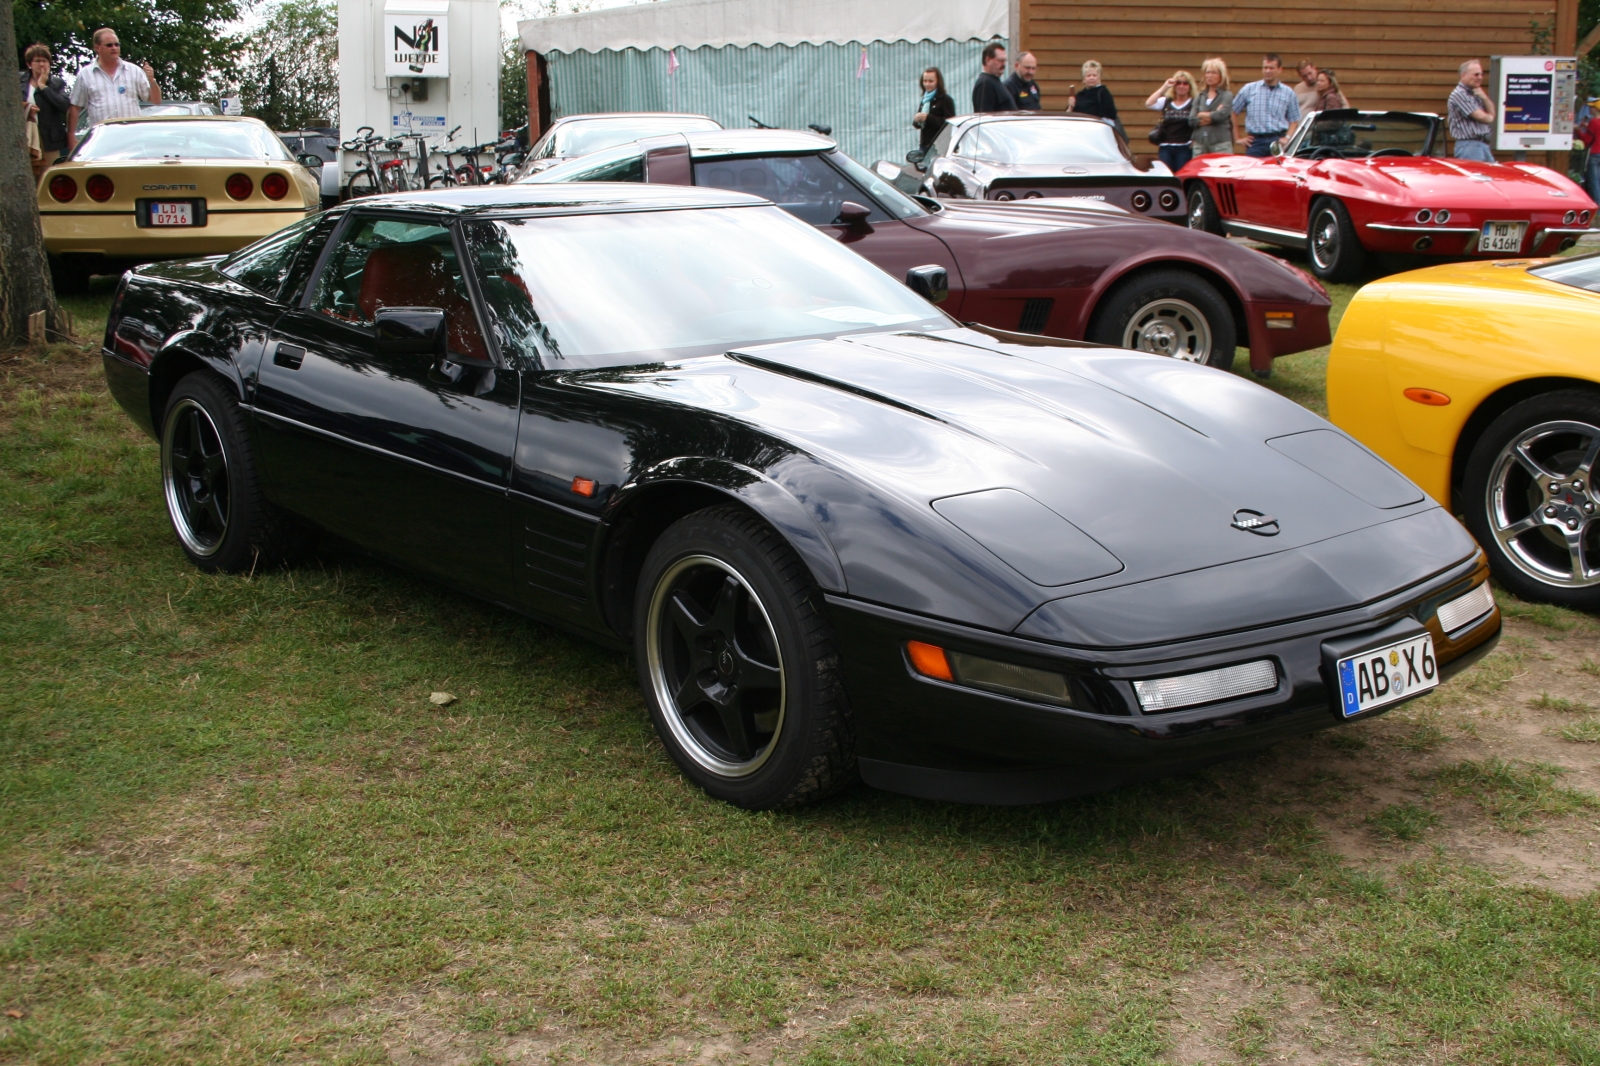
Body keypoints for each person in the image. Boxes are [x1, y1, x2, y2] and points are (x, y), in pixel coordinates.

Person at [66, 27, 161, 134]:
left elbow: (156, 101)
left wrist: (152, 80)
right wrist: (71, 136)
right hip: (102, 136)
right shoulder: (85, 75)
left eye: (117, 44)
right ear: (97, 48)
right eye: (109, 45)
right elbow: (75, 107)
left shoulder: (134, 71)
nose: (114, 48)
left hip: (132, 134)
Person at [1231, 54, 1300, 158]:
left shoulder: (1288, 93)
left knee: (1276, 172)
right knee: (1252, 173)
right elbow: (1232, 111)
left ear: (1279, 69)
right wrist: (1237, 138)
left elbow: (1294, 120)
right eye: (1265, 68)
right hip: (1255, 142)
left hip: (1278, 141)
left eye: (1271, 68)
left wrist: (1287, 138)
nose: (1268, 71)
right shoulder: (1249, 89)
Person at [21, 43, 70, 182]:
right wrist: (26, 108)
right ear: (29, 64)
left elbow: (65, 106)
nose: (41, 64)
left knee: (48, 178)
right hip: (26, 137)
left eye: (45, 61)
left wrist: (43, 87)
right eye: (37, 61)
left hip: (50, 140)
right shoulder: (19, 82)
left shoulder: (56, 83)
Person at [1144, 70, 1198, 172]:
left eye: (1185, 83)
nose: (1181, 86)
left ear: (1190, 86)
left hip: (1185, 147)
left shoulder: (1194, 103)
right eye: (1178, 83)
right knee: (1166, 176)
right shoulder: (1166, 101)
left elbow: (1200, 121)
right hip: (1166, 147)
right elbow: (1149, 103)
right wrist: (1165, 87)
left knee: (1181, 176)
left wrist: (1196, 139)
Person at [1447, 59, 1495, 163]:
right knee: (1475, 177)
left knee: (1491, 177)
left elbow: (1491, 112)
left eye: (1481, 75)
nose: (1480, 78)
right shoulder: (1459, 94)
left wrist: (1484, 97)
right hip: (1469, 146)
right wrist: (1489, 117)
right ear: (1464, 75)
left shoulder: (1475, 93)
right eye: (1476, 75)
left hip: (1482, 145)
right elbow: (1481, 117)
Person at [909, 67, 956, 168]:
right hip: (924, 145)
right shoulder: (925, 100)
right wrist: (917, 120)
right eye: (925, 81)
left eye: (931, 81)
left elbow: (949, 123)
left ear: (938, 82)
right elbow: (919, 125)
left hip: (939, 147)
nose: (927, 84)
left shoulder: (945, 100)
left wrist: (928, 118)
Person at [1190, 58, 1234, 155]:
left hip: (1220, 143)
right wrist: (1212, 115)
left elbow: (1220, 116)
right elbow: (1192, 120)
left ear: (1221, 76)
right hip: (1200, 143)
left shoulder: (1226, 95)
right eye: (1208, 72)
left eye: (1214, 73)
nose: (1210, 75)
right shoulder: (1200, 96)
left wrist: (1200, 114)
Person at [1069, 61, 1118, 126]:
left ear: (1099, 78)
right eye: (1088, 75)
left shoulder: (1103, 93)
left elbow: (1110, 117)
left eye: (1094, 75)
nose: (1091, 78)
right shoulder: (1079, 95)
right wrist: (1070, 106)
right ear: (1083, 79)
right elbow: (1069, 117)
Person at [972, 42, 1017, 113]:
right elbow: (985, 117)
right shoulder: (985, 84)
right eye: (1000, 60)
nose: (1004, 64)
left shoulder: (994, 82)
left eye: (1005, 60)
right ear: (988, 60)